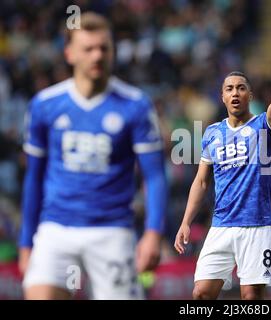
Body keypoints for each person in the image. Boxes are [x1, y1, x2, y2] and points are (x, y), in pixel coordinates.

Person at [19, 12, 167, 300]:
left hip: (112, 231)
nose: (97, 55)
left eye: (104, 48)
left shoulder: (135, 105)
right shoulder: (45, 105)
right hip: (55, 229)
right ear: (70, 53)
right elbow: (33, 177)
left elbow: (155, 175)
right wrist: (26, 244)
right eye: (88, 48)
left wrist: (152, 232)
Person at [174, 43, 271, 300]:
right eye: (229, 89)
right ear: (222, 97)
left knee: (250, 297)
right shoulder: (213, 133)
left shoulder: (262, 126)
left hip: (256, 225)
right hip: (221, 225)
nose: (235, 92)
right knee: (201, 294)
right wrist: (185, 222)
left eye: (241, 88)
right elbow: (201, 182)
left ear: (249, 95)